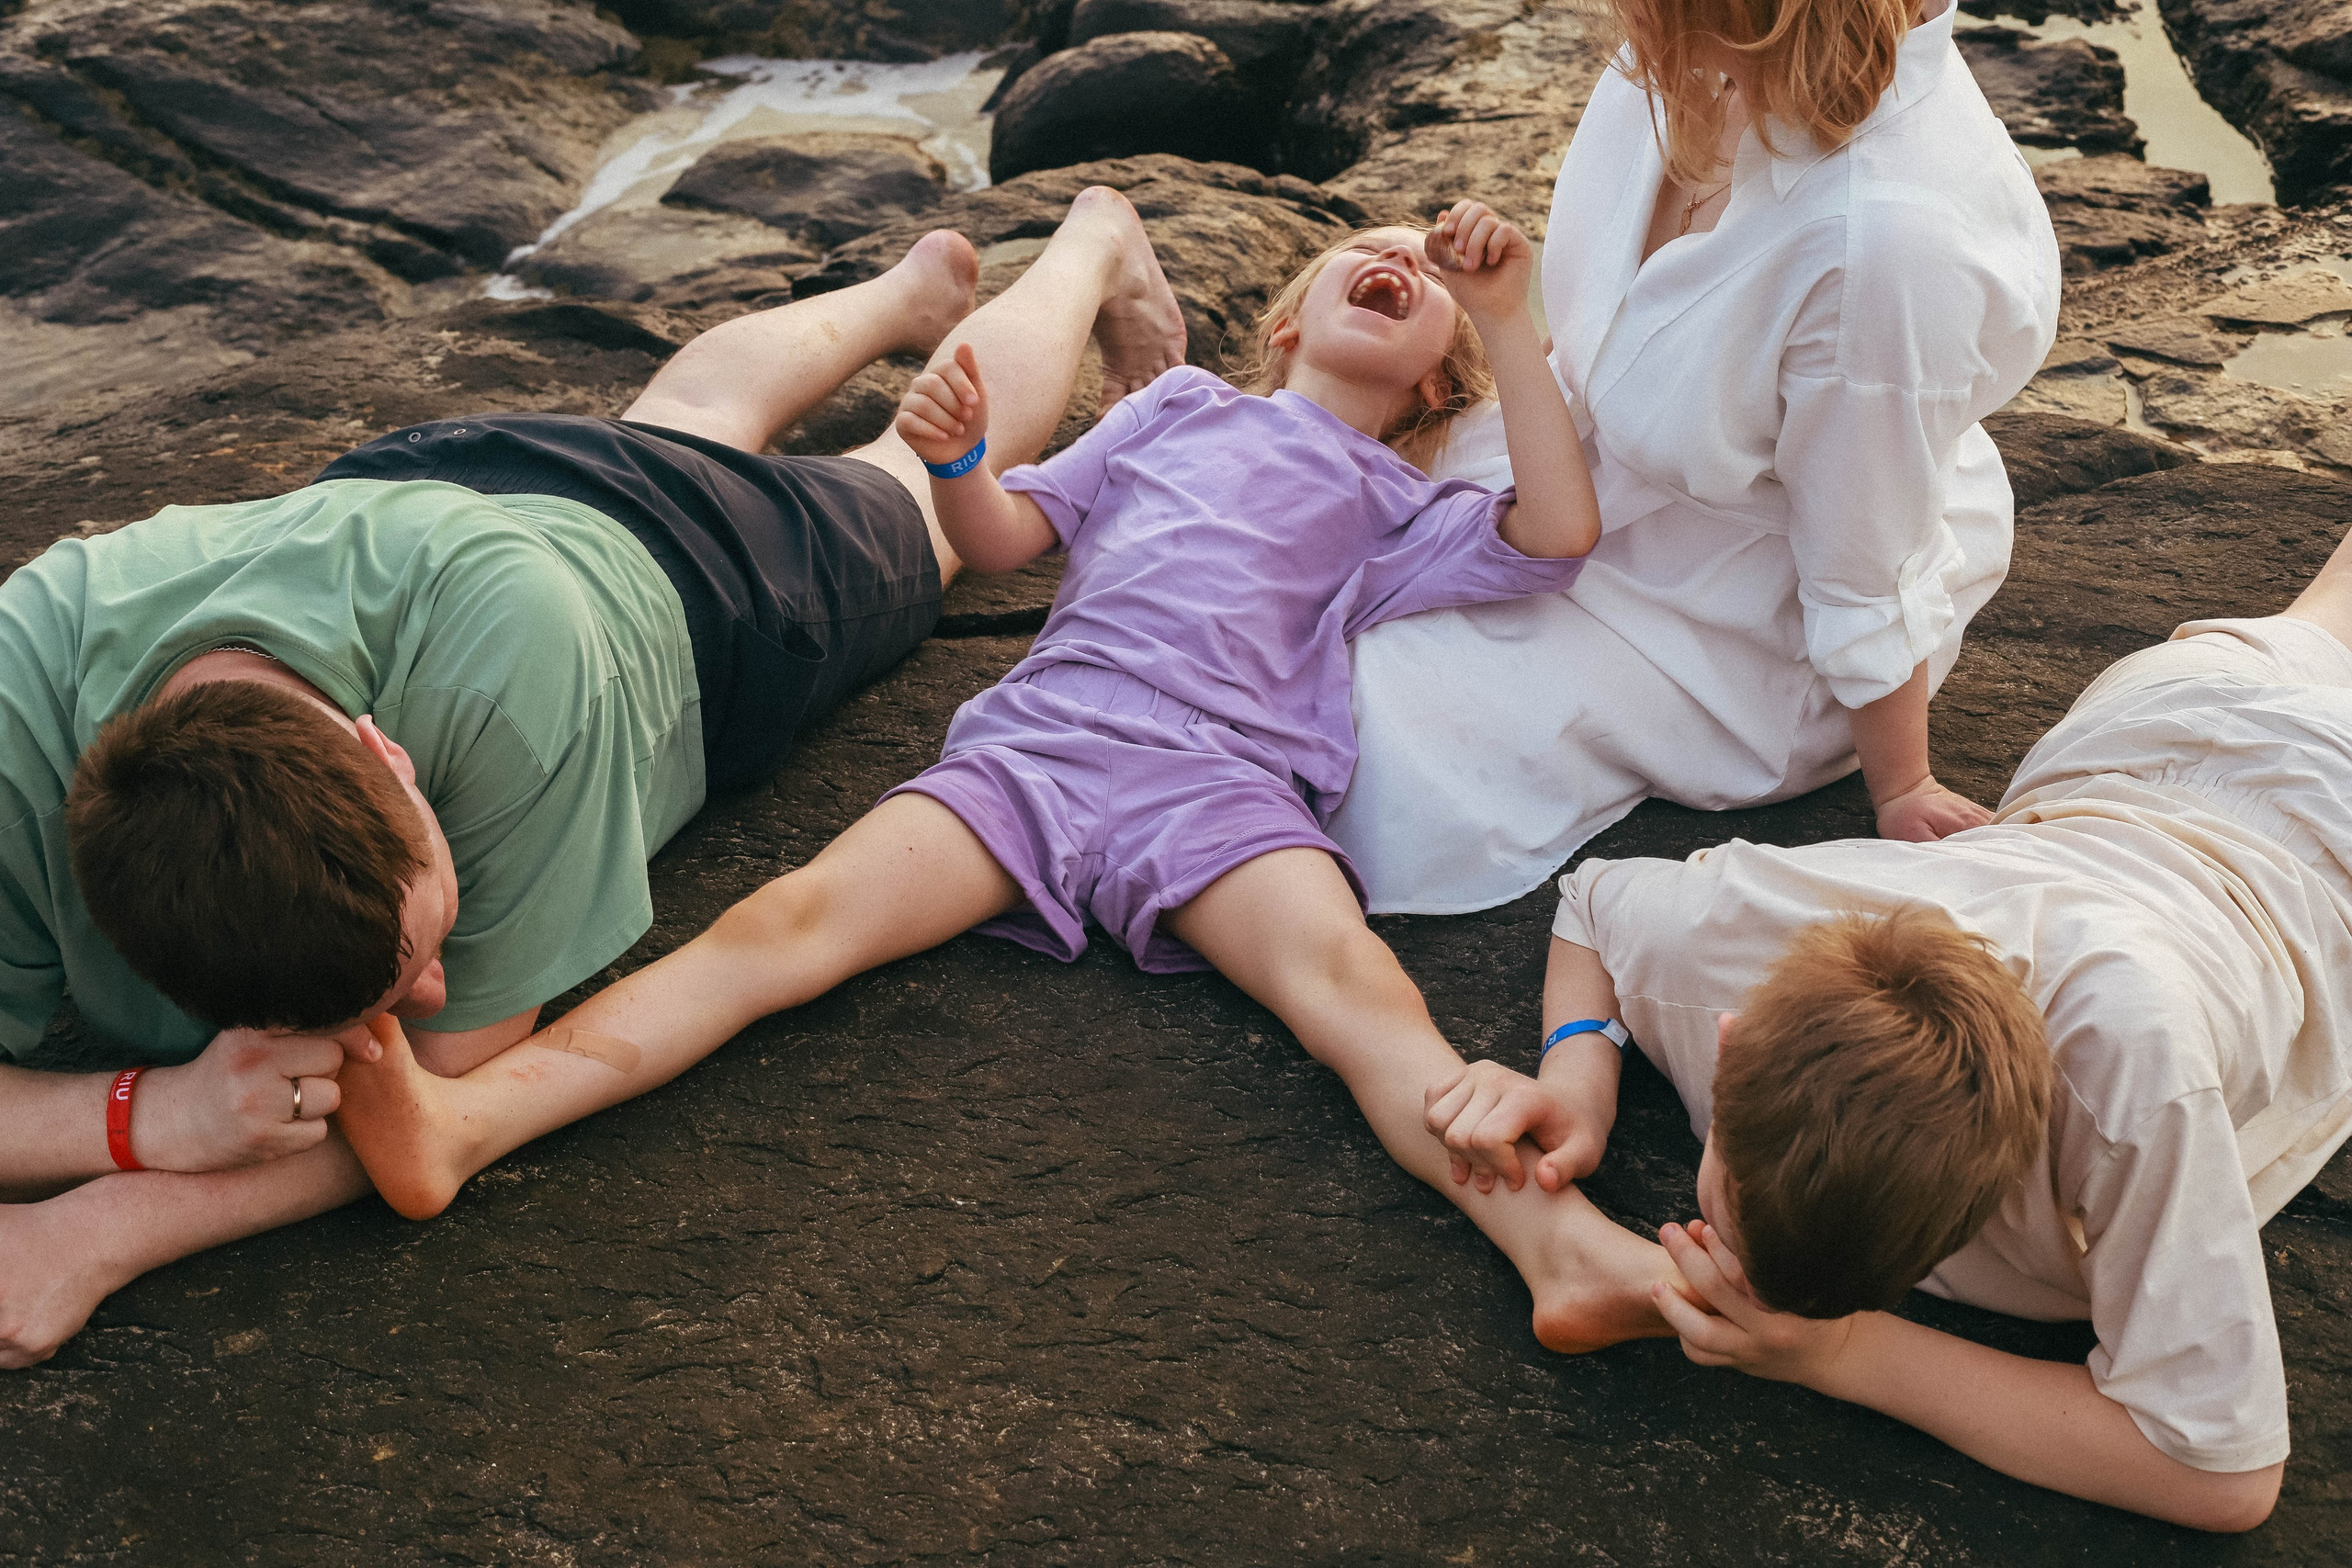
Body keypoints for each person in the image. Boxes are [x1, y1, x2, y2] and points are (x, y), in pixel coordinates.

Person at [318, 206, 1611, 1345]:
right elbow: (1001, 539)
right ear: (1283, 326)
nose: (1399, 260)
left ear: (1438, 380)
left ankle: (1557, 1249)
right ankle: (465, 1125)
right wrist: (953, 464)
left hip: (1225, 781)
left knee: (1354, 989)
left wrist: (1505, 313)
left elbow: (1558, 530)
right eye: (1368, 249)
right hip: (1041, 743)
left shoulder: (1400, 501)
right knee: (783, 923)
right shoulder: (1173, 407)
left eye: (1426, 275)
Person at [0, 189, 1191, 1367]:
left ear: (387, 751)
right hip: (408, 498)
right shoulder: (17, 698)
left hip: (695, 577)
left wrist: (103, 1223)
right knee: (685, 415)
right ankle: (906, 294)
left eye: (418, 954)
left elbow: (440, 1102)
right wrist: (150, 1113)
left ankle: (1092, 243)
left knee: (911, 490)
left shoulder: (521, 695)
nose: (430, 995)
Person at [1413, 537, 2352, 1531]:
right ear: (1735, 1041)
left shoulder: (2136, 1076)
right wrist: (1578, 1077)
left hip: (2313, 818)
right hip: (2147, 730)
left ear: (1728, 1047)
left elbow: (2223, 1477)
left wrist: (1843, 1353)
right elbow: (1593, 904)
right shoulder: (1770, 921)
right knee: (2323, 612)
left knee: (2325, 615)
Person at [1329, 0, 2062, 913]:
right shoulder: (1683, 53)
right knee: (1259, 578)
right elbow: (1598, 326)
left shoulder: (1886, 249)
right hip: (1573, 486)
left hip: (1723, 620)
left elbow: (1866, 566)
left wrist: (1902, 785)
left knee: (1349, 715)